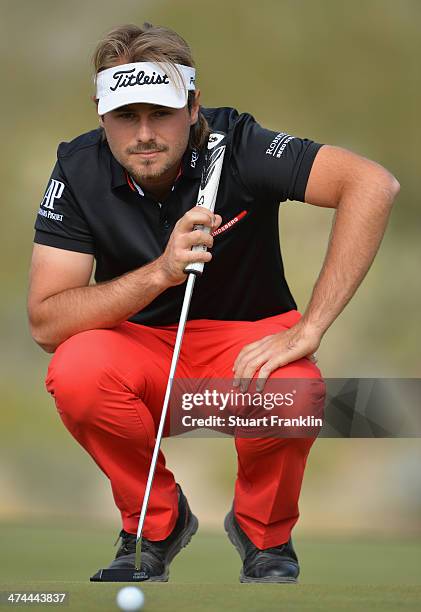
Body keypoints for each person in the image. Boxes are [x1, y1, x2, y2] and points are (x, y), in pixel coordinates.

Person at [27, 22, 400, 583]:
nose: (145, 133)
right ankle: (156, 523)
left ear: (193, 105)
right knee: (77, 370)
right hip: (141, 349)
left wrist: (311, 327)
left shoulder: (242, 144)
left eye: (162, 113)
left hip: (245, 345)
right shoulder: (78, 168)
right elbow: (46, 322)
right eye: (126, 116)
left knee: (296, 389)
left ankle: (264, 535)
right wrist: (161, 273)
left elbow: (372, 186)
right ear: (102, 115)